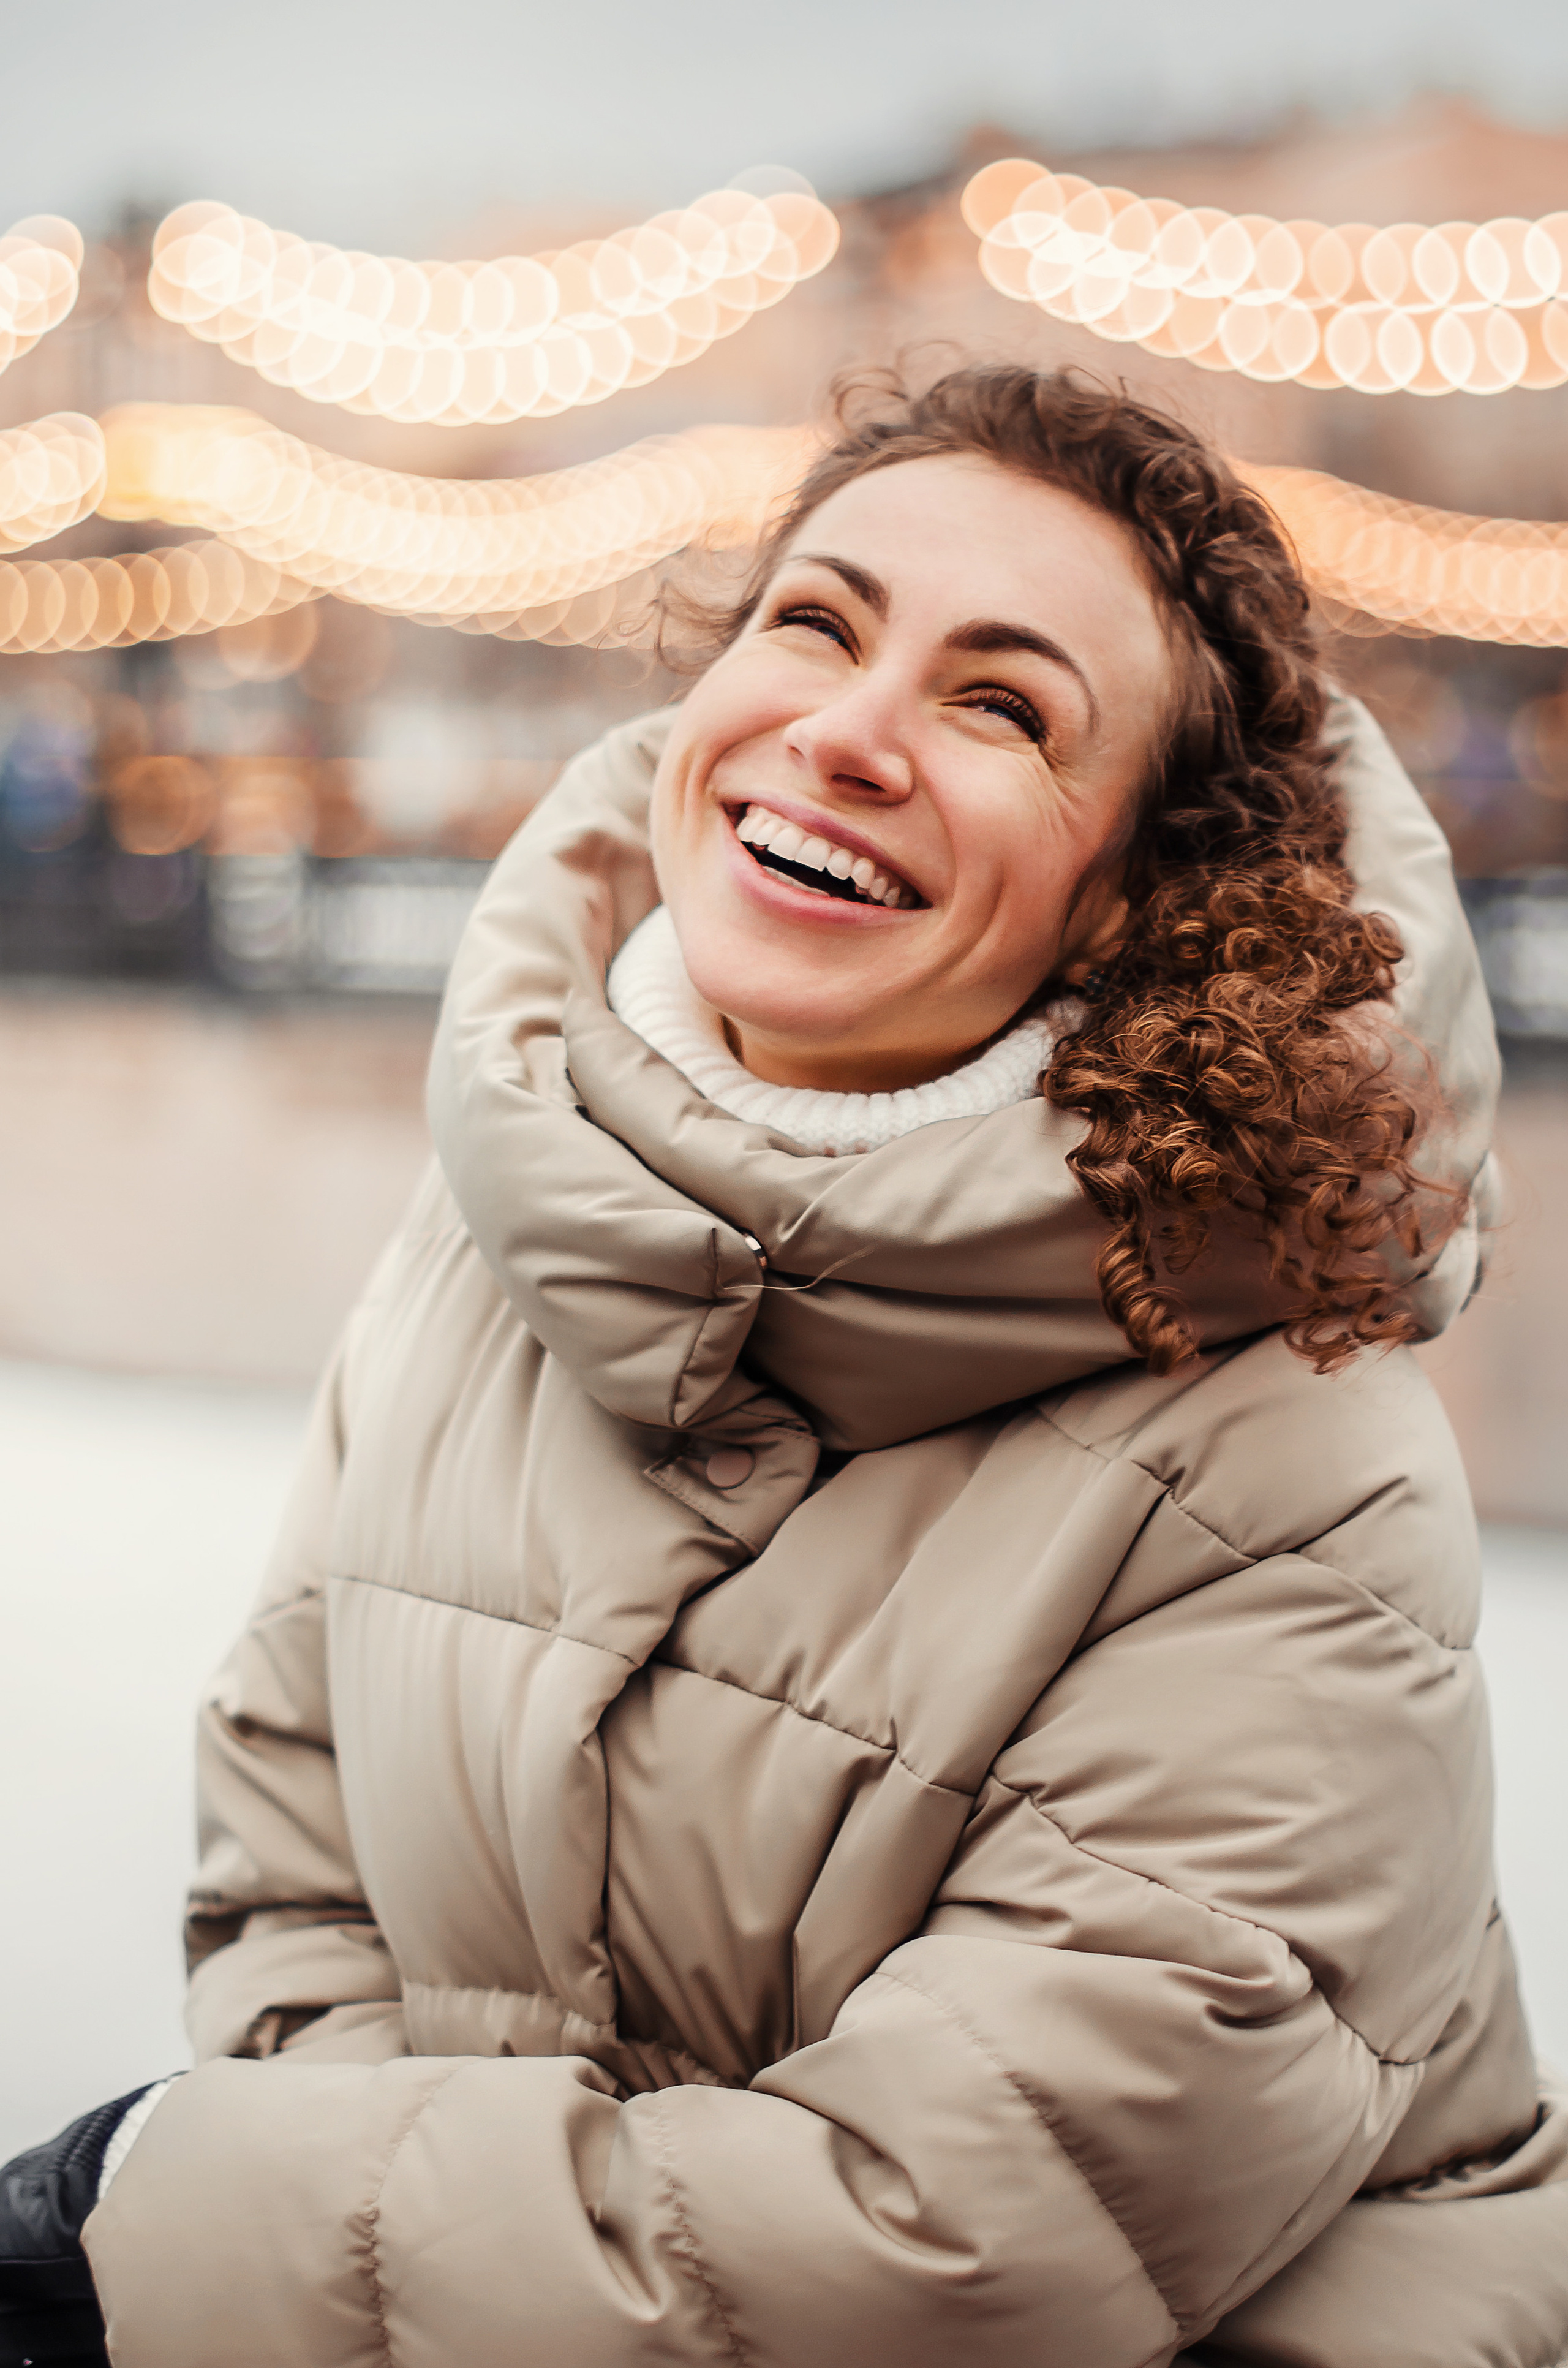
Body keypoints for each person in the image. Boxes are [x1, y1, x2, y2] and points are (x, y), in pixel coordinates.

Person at [5, 365, 1564, 2368]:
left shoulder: (1296, 1466)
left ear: (1143, 896)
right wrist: (359, 2213)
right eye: (815, 623)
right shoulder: (506, 1213)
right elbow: (292, 1833)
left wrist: (224, 2225)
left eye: (1002, 706)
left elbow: (960, 2236)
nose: (845, 733)